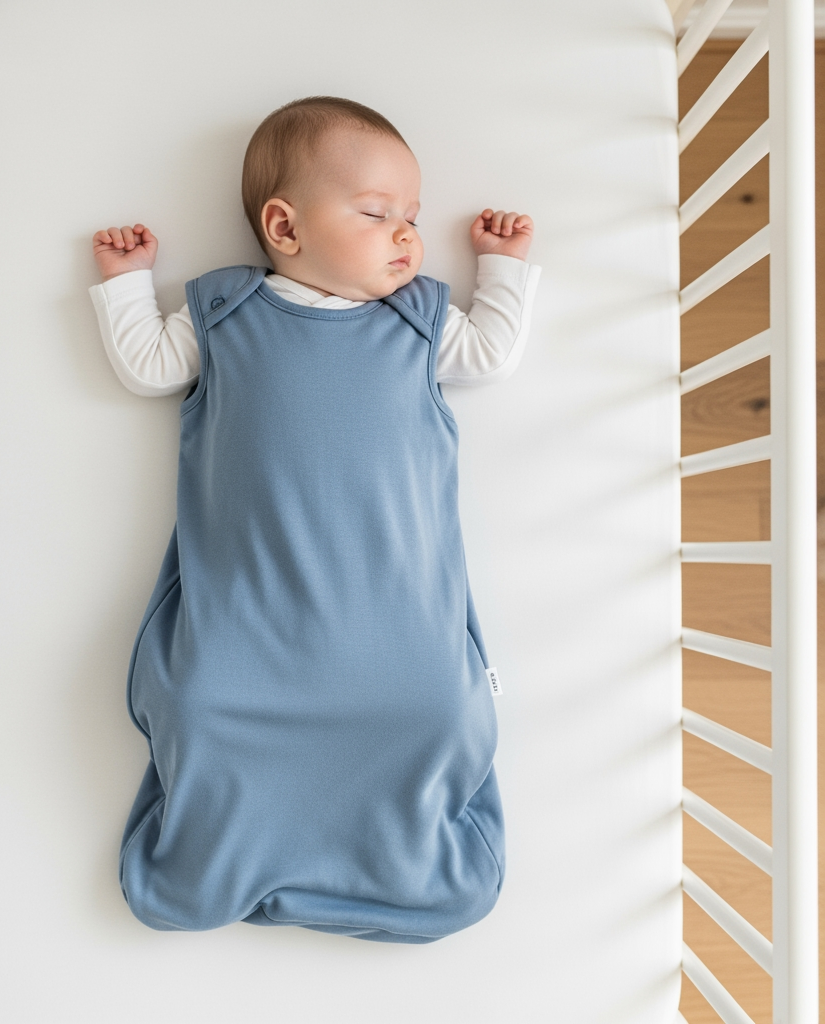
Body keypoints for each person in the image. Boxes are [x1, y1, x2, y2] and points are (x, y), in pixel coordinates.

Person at [88, 96, 540, 943]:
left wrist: (503, 266)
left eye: (410, 216)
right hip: (250, 622)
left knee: (439, 709)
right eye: (377, 214)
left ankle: (404, 861)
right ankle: (214, 854)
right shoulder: (224, 314)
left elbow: (492, 353)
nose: (407, 235)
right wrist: (126, 287)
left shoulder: (417, 323)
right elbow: (148, 366)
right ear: (285, 228)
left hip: (393, 617)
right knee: (201, 700)